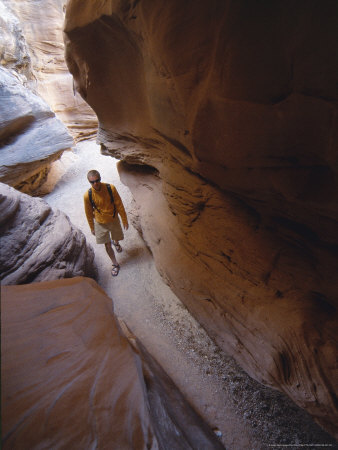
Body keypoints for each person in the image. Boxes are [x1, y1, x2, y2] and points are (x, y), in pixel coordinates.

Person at [84, 170, 129, 276]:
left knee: (116, 237)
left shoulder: (110, 188)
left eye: (97, 180)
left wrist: (124, 219)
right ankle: (115, 264)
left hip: (113, 219)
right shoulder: (88, 196)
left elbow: (119, 204)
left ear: (100, 178)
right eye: (92, 182)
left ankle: (116, 243)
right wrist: (92, 227)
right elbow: (88, 213)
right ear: (89, 182)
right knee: (107, 245)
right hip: (100, 223)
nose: (95, 183)